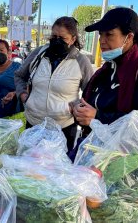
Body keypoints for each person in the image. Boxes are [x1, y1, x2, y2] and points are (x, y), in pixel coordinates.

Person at [72, 7, 138, 146]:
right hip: (91, 150)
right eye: (101, 35)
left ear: (128, 37)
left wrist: (97, 117)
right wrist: (79, 110)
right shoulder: (106, 70)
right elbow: (92, 106)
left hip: (121, 159)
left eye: (109, 34)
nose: (102, 41)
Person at [14, 16, 94, 152]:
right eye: (53, 36)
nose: (57, 41)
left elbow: (90, 94)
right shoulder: (38, 54)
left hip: (63, 128)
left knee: (57, 170)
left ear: (73, 39)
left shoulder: (81, 61)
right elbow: (19, 76)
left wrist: (76, 106)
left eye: (62, 38)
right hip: (34, 123)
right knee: (29, 168)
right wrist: (23, 95)